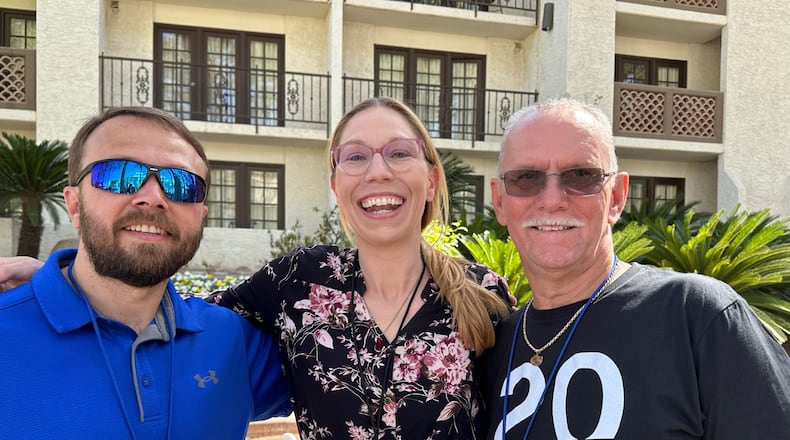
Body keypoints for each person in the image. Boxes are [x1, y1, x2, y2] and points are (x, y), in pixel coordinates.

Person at [481, 97, 790, 439]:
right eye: (526, 178)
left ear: (616, 196)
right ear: (499, 201)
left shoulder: (695, 316)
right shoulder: (495, 344)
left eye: (581, 175)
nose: (552, 199)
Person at [206, 96, 512, 438]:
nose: (378, 172)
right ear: (337, 187)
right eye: (355, 156)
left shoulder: (482, 294)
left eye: (399, 153)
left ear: (431, 181)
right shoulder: (297, 281)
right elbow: (188, 328)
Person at [0, 107, 290, 439]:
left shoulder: (233, 340)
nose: (152, 198)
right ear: (75, 204)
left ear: (201, 215)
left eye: (181, 184)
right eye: (118, 174)